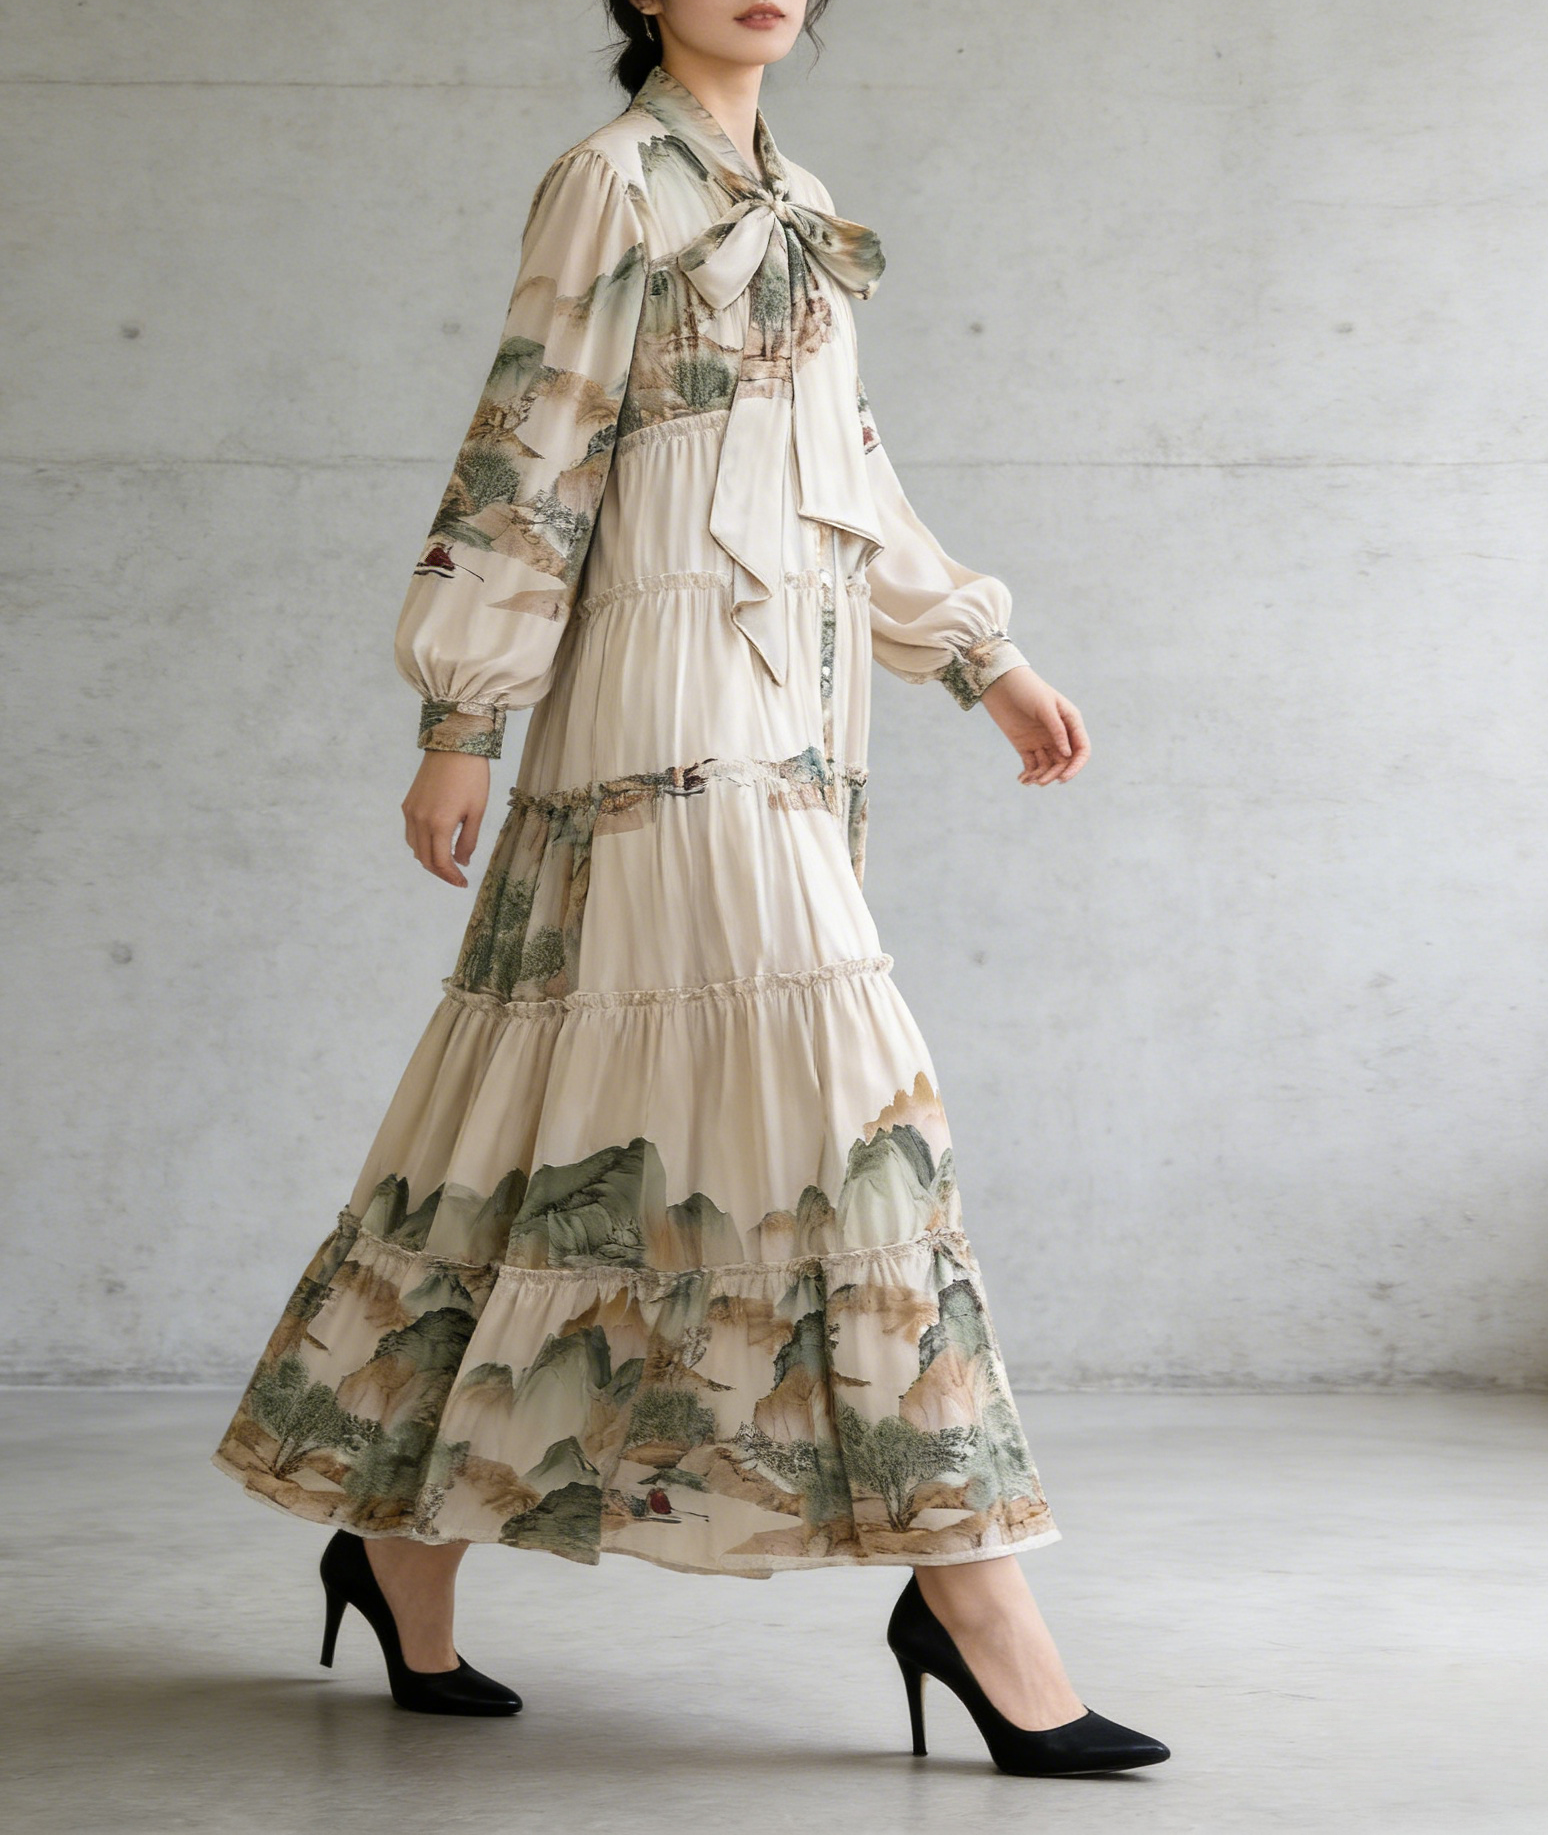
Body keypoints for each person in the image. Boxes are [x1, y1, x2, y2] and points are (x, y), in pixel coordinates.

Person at [211, 0, 1169, 1779]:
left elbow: (843, 466)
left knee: (554, 1123)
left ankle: (398, 1546)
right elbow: (533, 433)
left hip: (794, 698)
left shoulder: (790, 193)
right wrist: (461, 714)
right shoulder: (607, 179)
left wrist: (980, 654)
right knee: (847, 1103)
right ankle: (976, 1604)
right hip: (659, 698)